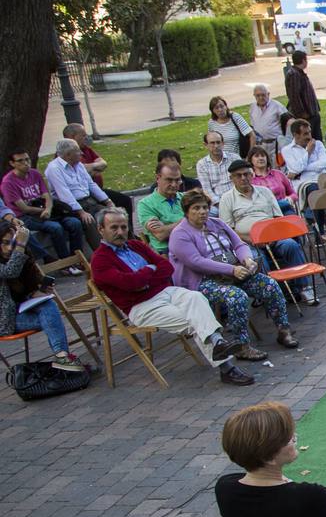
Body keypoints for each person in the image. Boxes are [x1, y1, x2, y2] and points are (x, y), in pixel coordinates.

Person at [90, 208, 253, 385]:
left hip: (166, 292)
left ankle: (218, 344)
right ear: (100, 229)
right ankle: (227, 368)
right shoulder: (100, 260)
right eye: (114, 227)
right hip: (141, 306)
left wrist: (144, 278)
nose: (121, 232)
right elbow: (131, 284)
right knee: (195, 320)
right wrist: (149, 270)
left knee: (197, 298)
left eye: (123, 227)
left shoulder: (136, 246)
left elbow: (167, 267)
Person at [169, 189, 297, 357]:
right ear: (186, 211)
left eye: (205, 207)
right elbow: (196, 262)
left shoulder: (217, 223)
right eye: (196, 208)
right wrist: (232, 269)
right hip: (203, 280)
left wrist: (247, 260)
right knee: (236, 296)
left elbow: (239, 244)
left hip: (232, 272)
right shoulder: (180, 234)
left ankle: (283, 330)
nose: (202, 212)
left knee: (269, 284)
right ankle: (241, 346)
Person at [218, 160, 316, 305]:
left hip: (273, 236)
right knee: (258, 257)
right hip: (246, 241)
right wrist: (253, 239)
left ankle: (304, 287)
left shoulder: (265, 192)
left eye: (246, 174)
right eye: (238, 176)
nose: (243, 178)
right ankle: (271, 294)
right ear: (231, 178)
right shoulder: (226, 199)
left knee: (291, 245)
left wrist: (271, 236)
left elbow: (277, 218)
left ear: (252, 175)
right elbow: (228, 230)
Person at [0, 220, 83, 370]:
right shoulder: (14, 257)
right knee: (51, 317)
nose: (8, 248)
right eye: (4, 243)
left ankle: (62, 356)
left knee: (48, 305)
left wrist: (34, 293)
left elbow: (19, 291)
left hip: (19, 312)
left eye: (11, 243)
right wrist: (20, 245)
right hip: (5, 321)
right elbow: (10, 272)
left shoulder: (18, 258)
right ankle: (63, 357)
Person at [3, 149, 81, 265]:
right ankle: (66, 263)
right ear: (12, 164)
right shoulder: (8, 183)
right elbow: (24, 208)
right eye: (20, 161)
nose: (25, 163)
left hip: (46, 212)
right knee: (56, 227)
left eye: (27, 159)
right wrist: (44, 210)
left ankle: (77, 259)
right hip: (26, 217)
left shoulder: (35, 174)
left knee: (75, 223)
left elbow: (47, 196)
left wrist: (48, 209)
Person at [44, 137, 114, 250]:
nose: (81, 153)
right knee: (89, 221)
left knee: (113, 214)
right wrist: (81, 212)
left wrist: (108, 201)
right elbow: (64, 194)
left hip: (89, 201)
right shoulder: (54, 169)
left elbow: (91, 185)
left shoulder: (78, 164)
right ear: (68, 155)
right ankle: (103, 253)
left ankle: (129, 245)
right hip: (71, 207)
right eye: (77, 151)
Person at [136, 161, 188, 254]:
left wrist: (167, 227)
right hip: (167, 253)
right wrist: (190, 220)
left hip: (193, 246)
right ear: (158, 178)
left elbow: (203, 224)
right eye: (169, 180)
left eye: (177, 180)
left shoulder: (186, 198)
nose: (174, 184)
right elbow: (161, 234)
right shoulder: (145, 204)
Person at [283, 120, 326, 207]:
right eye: (305, 134)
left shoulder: (318, 144)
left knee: (320, 190)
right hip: (304, 185)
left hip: (321, 180)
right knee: (314, 189)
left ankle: (313, 216)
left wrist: (300, 170)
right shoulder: (287, 150)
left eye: (309, 132)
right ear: (295, 135)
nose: (309, 136)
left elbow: (324, 163)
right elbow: (296, 169)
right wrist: (308, 152)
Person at [283, 51, 321, 141]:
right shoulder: (294, 74)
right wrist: (302, 113)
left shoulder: (299, 73)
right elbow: (294, 96)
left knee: (317, 139)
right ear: (303, 60)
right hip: (306, 116)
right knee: (310, 139)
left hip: (312, 113)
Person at [247, 146, 297, 215]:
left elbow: (294, 194)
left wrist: (290, 198)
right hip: (264, 212)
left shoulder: (278, 174)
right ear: (251, 160)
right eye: (257, 156)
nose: (261, 158)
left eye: (263, 156)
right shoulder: (250, 179)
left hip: (284, 208)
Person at [248, 85, 286, 152]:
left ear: (268, 94)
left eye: (263, 95)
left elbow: (287, 123)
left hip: (276, 144)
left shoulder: (277, 106)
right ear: (254, 96)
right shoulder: (252, 107)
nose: (261, 98)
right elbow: (253, 126)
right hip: (261, 145)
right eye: (258, 95)